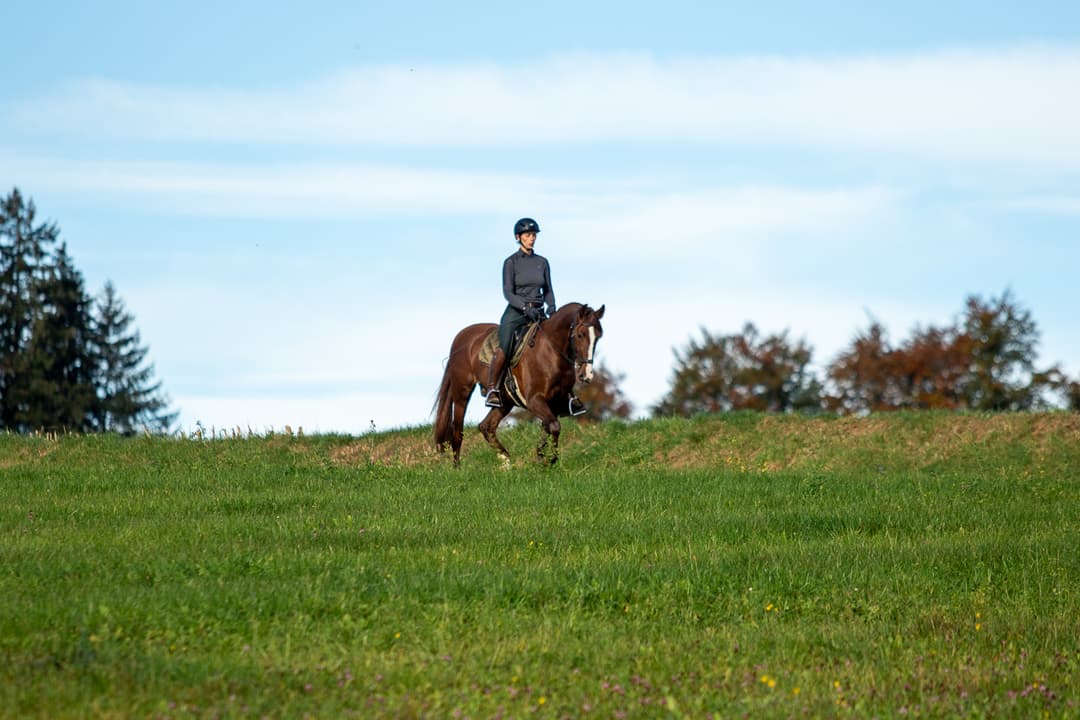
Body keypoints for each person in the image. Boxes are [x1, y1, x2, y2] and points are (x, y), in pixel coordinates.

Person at [484, 217, 585, 415]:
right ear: (518, 237)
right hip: (516, 312)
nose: (532, 238)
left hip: (538, 312)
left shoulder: (542, 262)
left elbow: (548, 290)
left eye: (534, 235)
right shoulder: (511, 262)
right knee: (505, 346)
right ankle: (492, 389)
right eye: (528, 235)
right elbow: (508, 292)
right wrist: (524, 307)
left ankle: (569, 396)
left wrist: (552, 306)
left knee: (558, 347)